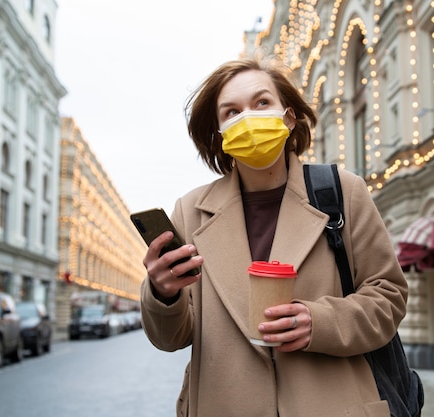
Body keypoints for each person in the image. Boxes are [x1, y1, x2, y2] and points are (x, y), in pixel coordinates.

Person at [140, 53, 408, 417]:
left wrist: (321, 322)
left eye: (262, 102)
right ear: (219, 134)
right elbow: (171, 337)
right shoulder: (190, 211)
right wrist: (163, 294)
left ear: (289, 115)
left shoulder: (343, 192)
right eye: (231, 112)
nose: (248, 118)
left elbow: (388, 296)